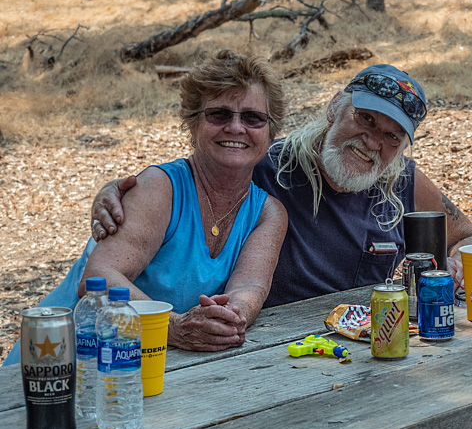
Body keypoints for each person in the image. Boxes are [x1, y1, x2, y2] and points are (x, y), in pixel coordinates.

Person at [90, 63, 472, 429]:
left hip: (364, 363)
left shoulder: (403, 182)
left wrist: (465, 259)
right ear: (334, 108)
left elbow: (467, 235)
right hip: (263, 370)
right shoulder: (269, 167)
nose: (371, 141)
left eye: (389, 134)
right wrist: (114, 189)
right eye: (364, 120)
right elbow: (199, 175)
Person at [2, 49, 288, 366]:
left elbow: (250, 288)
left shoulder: (268, 213)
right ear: (192, 125)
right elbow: (99, 278)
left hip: (143, 368)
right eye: (218, 114)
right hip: (61, 362)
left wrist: (230, 318)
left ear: (270, 132)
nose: (236, 127)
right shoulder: (159, 187)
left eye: (253, 118)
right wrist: (172, 327)